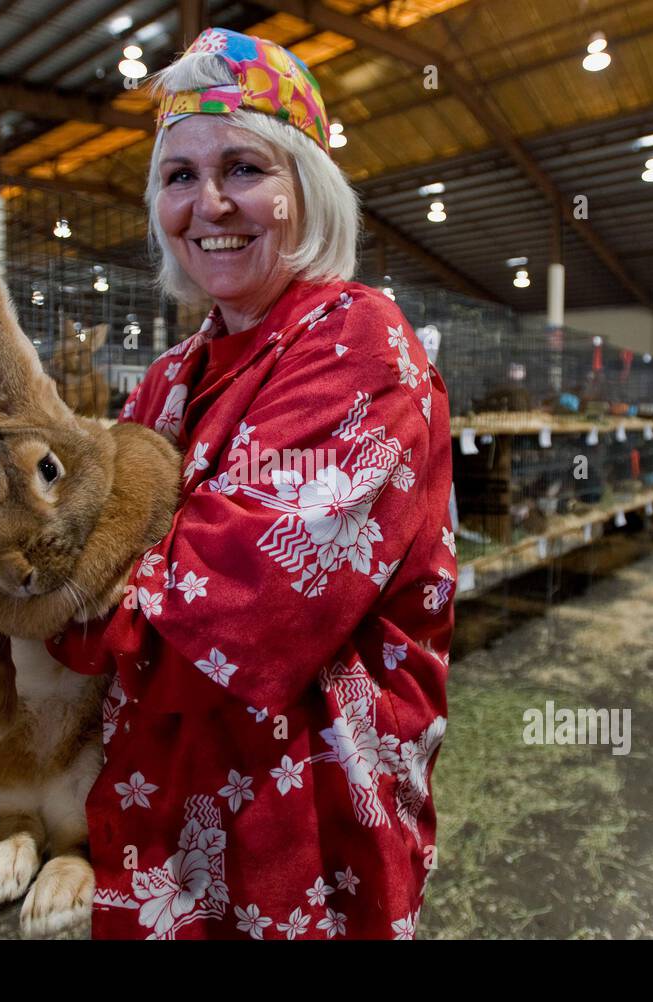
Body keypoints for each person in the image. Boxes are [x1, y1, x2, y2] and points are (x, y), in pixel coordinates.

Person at [44, 27, 455, 939]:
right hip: (165, 808)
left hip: (300, 822)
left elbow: (236, 606)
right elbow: (89, 535)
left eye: (244, 168)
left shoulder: (358, 342)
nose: (210, 203)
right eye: (179, 176)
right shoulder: (169, 375)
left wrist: (42, 603)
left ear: (305, 187)